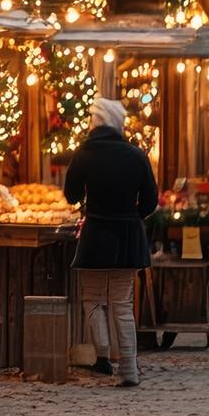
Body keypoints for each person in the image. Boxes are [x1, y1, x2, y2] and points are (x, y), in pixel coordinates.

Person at [63, 98, 159, 387]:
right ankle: (129, 368)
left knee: (92, 299)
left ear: (95, 122)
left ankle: (102, 357)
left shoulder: (83, 153)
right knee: (122, 303)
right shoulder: (136, 154)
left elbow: (71, 195)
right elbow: (151, 201)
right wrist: (132, 215)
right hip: (128, 235)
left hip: (96, 232)